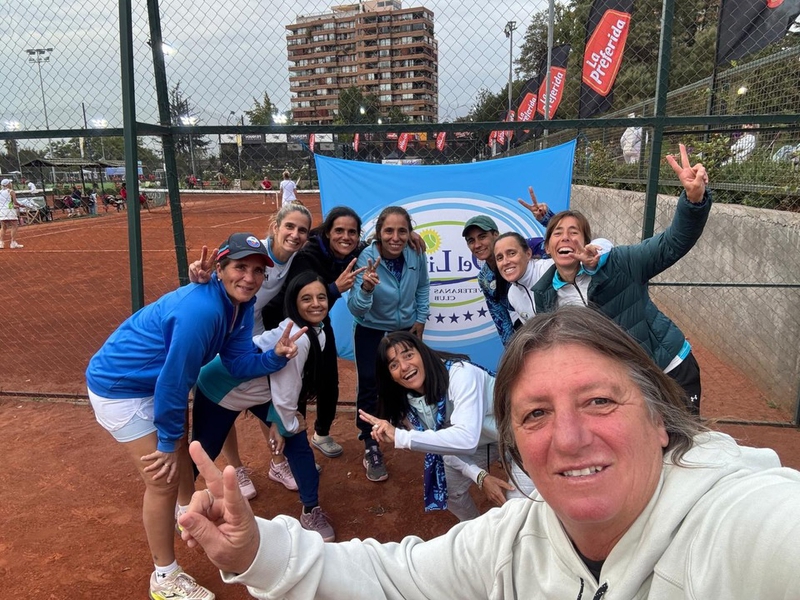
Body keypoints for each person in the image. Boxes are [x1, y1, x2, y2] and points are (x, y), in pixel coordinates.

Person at [178, 306, 800, 599]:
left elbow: (459, 438)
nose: (569, 435)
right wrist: (259, 551)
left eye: (599, 401)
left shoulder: (738, 524)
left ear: (661, 420)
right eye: (536, 413)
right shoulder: (512, 541)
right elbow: (390, 575)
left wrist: (415, 443)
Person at [85, 232, 304, 600]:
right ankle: (164, 577)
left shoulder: (239, 305)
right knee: (163, 479)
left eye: (257, 271)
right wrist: (166, 443)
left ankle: (186, 513)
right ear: (220, 269)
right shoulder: (201, 312)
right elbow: (173, 384)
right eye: (240, 267)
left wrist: (273, 358)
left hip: (151, 383)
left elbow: (236, 362)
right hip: (119, 388)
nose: (249, 278)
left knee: (180, 450)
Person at [529, 144, 709, 414]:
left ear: (587, 242)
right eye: (557, 233)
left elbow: (672, 244)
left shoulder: (620, 263)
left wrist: (693, 201)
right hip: (623, 385)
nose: (565, 237)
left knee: (681, 439)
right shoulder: (544, 295)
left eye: (574, 232)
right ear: (547, 247)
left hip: (668, 367)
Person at [191, 271, 335, 542]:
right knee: (203, 451)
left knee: (296, 442)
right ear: (294, 303)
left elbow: (286, 386)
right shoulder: (299, 338)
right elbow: (286, 391)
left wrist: (282, 424)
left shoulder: (317, 329)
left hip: (258, 389)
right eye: (306, 299)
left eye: (321, 297)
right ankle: (180, 503)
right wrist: (282, 424)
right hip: (220, 388)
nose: (316, 304)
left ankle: (311, 508)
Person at [189, 202, 313, 498]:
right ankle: (236, 467)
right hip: (225, 330)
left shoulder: (297, 256)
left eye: (302, 230)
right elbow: (221, 271)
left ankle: (277, 462)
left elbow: (334, 238)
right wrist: (198, 275)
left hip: (251, 330)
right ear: (275, 226)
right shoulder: (256, 253)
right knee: (224, 400)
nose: (295, 234)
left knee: (262, 394)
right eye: (289, 226)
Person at [359, 331, 533, 520]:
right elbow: (443, 448)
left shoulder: (461, 374)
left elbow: (466, 439)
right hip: (484, 443)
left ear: (423, 354)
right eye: (394, 365)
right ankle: (473, 529)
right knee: (447, 487)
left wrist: (402, 437)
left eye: (408, 355)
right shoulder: (407, 406)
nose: (404, 366)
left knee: (517, 509)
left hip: (521, 436)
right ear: (390, 376)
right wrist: (480, 476)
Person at [261, 206, 369, 459]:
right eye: (339, 231)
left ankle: (322, 434)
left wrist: (410, 236)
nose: (346, 237)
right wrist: (334, 289)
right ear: (328, 233)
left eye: (352, 232)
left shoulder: (353, 251)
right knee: (295, 380)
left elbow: (376, 243)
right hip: (287, 321)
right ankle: (294, 445)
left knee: (328, 377)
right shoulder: (307, 255)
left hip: (318, 319)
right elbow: (301, 299)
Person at [347, 206, 430, 482]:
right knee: (370, 385)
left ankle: (407, 428)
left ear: (410, 233)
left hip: (404, 329)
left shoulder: (416, 252)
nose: (396, 237)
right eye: (389, 231)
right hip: (371, 330)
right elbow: (356, 308)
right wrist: (367, 288)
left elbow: (422, 286)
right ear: (379, 233)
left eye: (402, 231)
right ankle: (370, 444)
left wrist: (420, 318)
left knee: (406, 379)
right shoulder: (366, 257)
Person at [461, 185, 553, 345]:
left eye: (482, 237)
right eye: (471, 241)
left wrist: (547, 218)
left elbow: (562, 246)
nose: (477, 245)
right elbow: (501, 320)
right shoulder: (485, 278)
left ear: (495, 235)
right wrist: (513, 354)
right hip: (530, 325)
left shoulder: (525, 247)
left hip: (559, 318)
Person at [494, 231, 609, 324]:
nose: (505, 262)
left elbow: (604, 245)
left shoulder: (553, 268)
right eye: (499, 258)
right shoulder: (512, 295)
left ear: (528, 254)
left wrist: (597, 251)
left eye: (512, 253)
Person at [0, 179, 23, 248]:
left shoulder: (0, 192)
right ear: (7, 184)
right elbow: (15, 202)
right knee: (14, 225)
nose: (11, 184)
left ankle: (1, 243)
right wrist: (21, 205)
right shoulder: (11, 191)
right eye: (10, 183)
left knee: (3, 227)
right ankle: (13, 242)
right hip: (10, 210)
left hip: (2, 210)